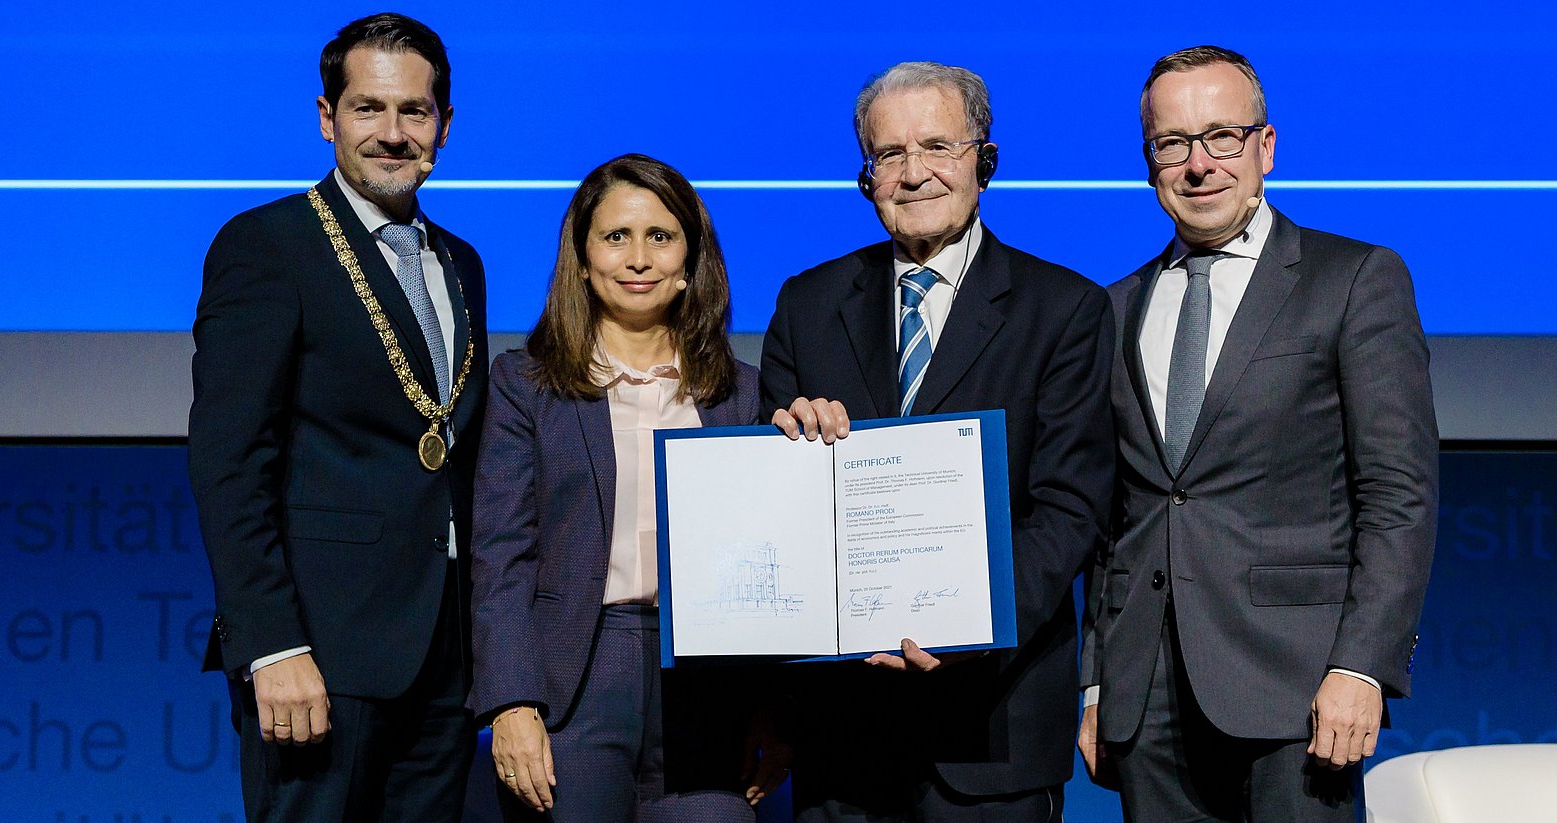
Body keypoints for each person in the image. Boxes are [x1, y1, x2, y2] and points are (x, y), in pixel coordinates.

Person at [1078, 45, 1439, 822]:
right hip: (1150, 698)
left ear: (1265, 147)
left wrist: (1362, 665)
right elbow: (1118, 519)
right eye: (1172, 143)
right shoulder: (1113, 308)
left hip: (1301, 690)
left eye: (1222, 136)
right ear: (1149, 162)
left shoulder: (1354, 278)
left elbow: (1398, 493)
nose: (1199, 163)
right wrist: (1100, 678)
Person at [760, 62, 1114, 821]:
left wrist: (964, 628)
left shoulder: (1066, 309)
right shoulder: (806, 304)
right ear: (865, 176)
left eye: (938, 147)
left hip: (992, 724)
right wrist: (790, 454)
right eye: (888, 154)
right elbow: (780, 518)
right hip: (842, 730)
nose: (914, 174)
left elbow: (1068, 510)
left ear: (983, 160)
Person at [187, 13, 483, 821]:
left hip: (443, 662)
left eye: (414, 112)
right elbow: (228, 459)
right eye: (367, 109)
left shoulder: (462, 262)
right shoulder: (267, 245)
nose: (392, 134)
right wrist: (270, 642)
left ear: (444, 126)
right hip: (318, 655)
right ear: (327, 118)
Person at [468, 154, 788, 822]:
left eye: (660, 237)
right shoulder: (524, 384)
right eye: (616, 237)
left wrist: (774, 707)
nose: (639, 258)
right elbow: (500, 557)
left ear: (690, 258)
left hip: (709, 685)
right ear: (582, 259)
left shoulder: (745, 392)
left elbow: (775, 571)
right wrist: (511, 700)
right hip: (575, 678)